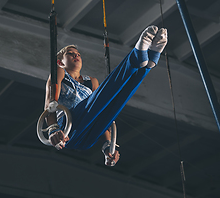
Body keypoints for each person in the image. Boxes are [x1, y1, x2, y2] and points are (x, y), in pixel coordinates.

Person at [44, 25, 168, 166]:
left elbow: (101, 105)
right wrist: (53, 129)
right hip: (67, 127)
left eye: (78, 54)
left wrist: (108, 144)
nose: (76, 55)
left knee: (115, 100)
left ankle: (146, 66)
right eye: (70, 54)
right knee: (105, 99)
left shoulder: (91, 81)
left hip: (89, 127)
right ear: (60, 62)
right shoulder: (59, 72)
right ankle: (136, 58)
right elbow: (50, 102)